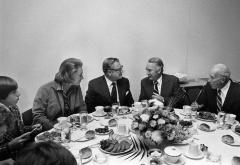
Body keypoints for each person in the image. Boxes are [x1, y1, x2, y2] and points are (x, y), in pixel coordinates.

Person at [32, 58, 87, 131]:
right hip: (51, 132)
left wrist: (83, 123)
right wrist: (55, 129)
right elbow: (38, 116)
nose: (82, 78)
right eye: (80, 75)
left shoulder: (76, 87)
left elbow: (82, 108)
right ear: (70, 75)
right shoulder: (45, 90)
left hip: (71, 130)